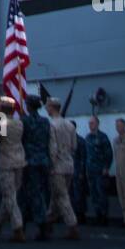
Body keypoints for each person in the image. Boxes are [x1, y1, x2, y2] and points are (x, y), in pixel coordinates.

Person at [0, 97, 26, 242]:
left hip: (6, 163)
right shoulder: (19, 123)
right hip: (19, 161)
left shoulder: (1, 122)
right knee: (9, 195)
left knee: (10, 197)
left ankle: (18, 227)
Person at [46, 98, 79, 239]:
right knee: (56, 196)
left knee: (62, 196)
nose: (46, 109)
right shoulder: (69, 125)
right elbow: (74, 146)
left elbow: (52, 148)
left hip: (57, 166)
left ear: (52, 108)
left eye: (47, 106)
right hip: (69, 164)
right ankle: (48, 220)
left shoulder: (51, 125)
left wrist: (51, 165)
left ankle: (72, 225)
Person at [19, 95, 51, 241]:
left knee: (33, 194)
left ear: (29, 106)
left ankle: (42, 224)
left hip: (30, 161)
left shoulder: (24, 121)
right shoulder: (45, 122)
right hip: (43, 161)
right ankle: (24, 224)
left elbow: (19, 139)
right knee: (36, 193)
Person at [85, 115, 113, 225]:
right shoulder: (88, 137)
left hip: (100, 170)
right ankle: (98, 214)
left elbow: (108, 153)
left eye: (92, 123)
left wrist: (106, 167)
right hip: (90, 170)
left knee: (102, 193)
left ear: (97, 124)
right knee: (94, 194)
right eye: (89, 123)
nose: (90, 125)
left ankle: (104, 215)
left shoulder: (102, 137)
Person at [70, 120, 88, 224]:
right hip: (69, 170)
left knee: (79, 194)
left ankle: (81, 214)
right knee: (71, 194)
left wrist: (81, 172)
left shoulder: (80, 141)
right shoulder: (67, 140)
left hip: (77, 171)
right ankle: (73, 214)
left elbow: (83, 157)